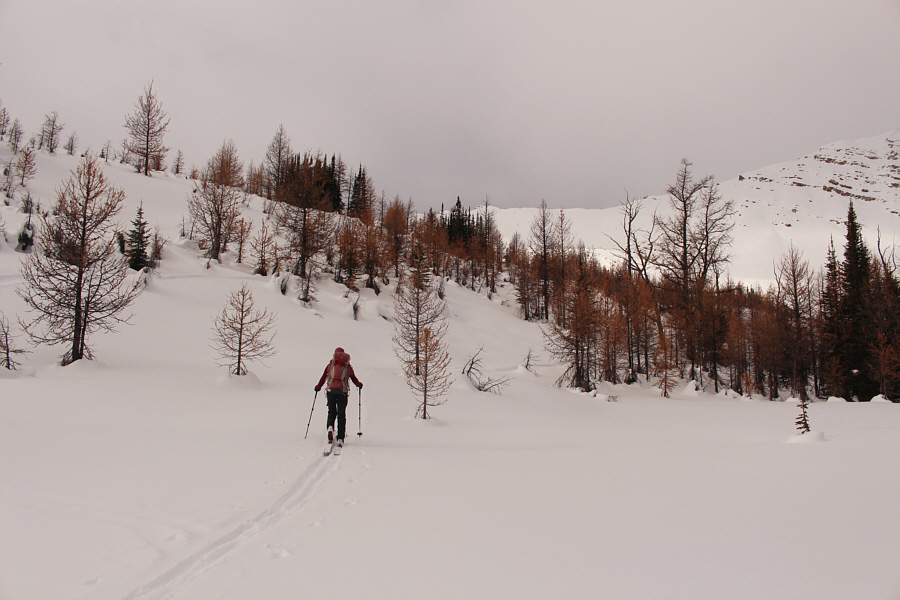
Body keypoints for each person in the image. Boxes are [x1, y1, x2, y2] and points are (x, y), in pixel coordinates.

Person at [315, 347, 362, 446]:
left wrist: (318, 387)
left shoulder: (330, 365)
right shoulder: (347, 367)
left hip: (331, 391)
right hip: (342, 393)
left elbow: (324, 377)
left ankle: (330, 427)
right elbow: (353, 378)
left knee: (331, 411)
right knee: (341, 414)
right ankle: (340, 437)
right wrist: (359, 385)